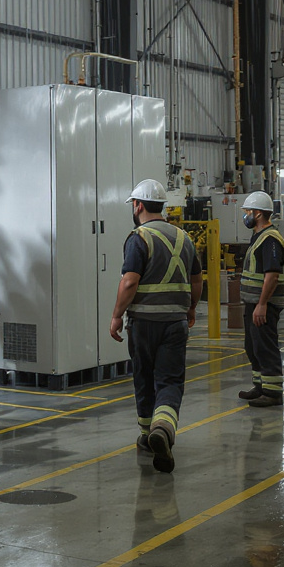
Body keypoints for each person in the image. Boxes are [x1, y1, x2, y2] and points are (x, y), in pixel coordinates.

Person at [110, 179, 203, 474]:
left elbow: (129, 281)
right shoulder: (184, 239)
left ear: (138, 205)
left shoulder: (139, 238)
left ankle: (147, 434)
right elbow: (197, 280)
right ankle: (163, 428)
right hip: (174, 324)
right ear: (162, 205)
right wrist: (190, 308)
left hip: (143, 324)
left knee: (144, 378)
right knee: (169, 381)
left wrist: (116, 316)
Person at [237, 191, 284, 407]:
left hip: (264, 304)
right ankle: (260, 386)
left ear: (258, 214)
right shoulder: (259, 236)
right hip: (253, 303)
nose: (246, 215)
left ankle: (273, 392)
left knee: (265, 346)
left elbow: (272, 275)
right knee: (253, 346)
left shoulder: (270, 239)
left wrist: (262, 304)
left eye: (248, 212)